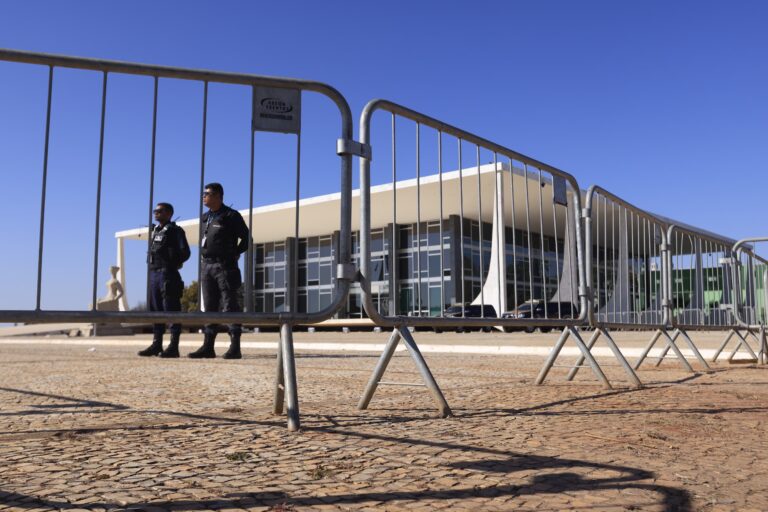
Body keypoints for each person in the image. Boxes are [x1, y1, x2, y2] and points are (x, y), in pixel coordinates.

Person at [188, 182, 249, 359]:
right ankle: (208, 347)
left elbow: (246, 239)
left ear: (217, 196)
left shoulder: (231, 215)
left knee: (230, 306)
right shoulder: (205, 217)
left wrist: (235, 253)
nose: (203, 196)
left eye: (206, 194)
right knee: (209, 307)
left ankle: (235, 347)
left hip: (225, 266)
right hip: (207, 266)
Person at [139, 202, 191, 358]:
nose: (156, 213)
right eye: (155, 211)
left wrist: (172, 262)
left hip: (167, 274)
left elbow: (185, 252)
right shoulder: (156, 231)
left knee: (171, 309)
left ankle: (173, 346)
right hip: (154, 274)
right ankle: (157, 344)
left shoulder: (175, 231)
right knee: (155, 310)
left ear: (169, 213)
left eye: (159, 211)